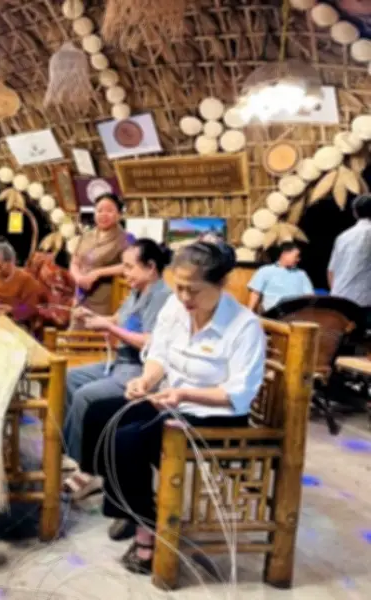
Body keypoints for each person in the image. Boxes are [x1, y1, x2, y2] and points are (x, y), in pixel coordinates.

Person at [80, 241, 265, 574]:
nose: (184, 297)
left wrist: (185, 395)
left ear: (221, 283)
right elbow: (159, 355)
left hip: (214, 418)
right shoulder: (175, 308)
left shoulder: (244, 325)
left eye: (193, 290)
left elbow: (238, 393)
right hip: (172, 403)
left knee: (127, 440)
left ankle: (146, 531)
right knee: (98, 415)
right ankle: (134, 506)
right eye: (179, 287)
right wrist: (146, 380)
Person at [62, 240, 173, 509]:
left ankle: (87, 469)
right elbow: (119, 319)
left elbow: (149, 342)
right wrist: (95, 317)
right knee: (67, 378)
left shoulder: (163, 297)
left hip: (139, 368)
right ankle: (75, 455)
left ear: (151, 267)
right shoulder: (137, 291)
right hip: (119, 363)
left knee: (86, 396)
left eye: (129, 267)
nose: (124, 272)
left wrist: (110, 328)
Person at [69, 193, 129, 322]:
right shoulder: (86, 235)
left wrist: (98, 273)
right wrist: (78, 277)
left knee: (97, 329)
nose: (103, 214)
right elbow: (74, 262)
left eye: (109, 211)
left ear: (119, 214)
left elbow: (128, 266)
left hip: (105, 299)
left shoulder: (125, 238)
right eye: (99, 210)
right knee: (75, 331)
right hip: (80, 296)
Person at [0, 239, 45, 324]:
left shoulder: (26, 280)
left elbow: (31, 308)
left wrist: (11, 310)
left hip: (14, 322)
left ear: (11, 262)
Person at [328, 194, 371, 315]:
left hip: (340, 299)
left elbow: (331, 272)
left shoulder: (343, 237)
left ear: (355, 213)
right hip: (365, 303)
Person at [248, 241, 314, 313]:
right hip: (272, 313)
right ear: (284, 254)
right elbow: (255, 293)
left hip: (296, 313)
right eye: (296, 256)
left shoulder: (301, 274)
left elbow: (309, 296)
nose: (298, 259)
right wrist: (249, 313)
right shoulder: (265, 271)